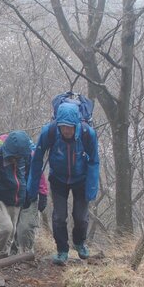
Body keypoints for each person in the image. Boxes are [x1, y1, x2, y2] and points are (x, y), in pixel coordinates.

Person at [27, 102, 99, 265]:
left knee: (80, 217)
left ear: (76, 124)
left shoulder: (88, 134)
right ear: (58, 124)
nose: (66, 130)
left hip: (81, 179)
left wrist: (91, 188)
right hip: (58, 179)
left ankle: (79, 243)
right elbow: (37, 160)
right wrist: (32, 190)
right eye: (63, 126)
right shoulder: (50, 131)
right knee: (59, 217)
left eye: (70, 127)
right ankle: (62, 250)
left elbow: (94, 161)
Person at [0, 130, 32, 259]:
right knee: (6, 227)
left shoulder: (22, 158)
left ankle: (4, 257)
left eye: (19, 157)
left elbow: (25, 177)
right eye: (15, 156)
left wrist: (26, 195)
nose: (17, 159)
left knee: (12, 231)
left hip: (15, 198)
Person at [12, 152, 49, 254]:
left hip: (30, 197)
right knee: (12, 227)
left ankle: (26, 252)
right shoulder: (4, 157)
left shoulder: (32, 158)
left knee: (25, 228)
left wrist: (43, 194)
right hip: (12, 198)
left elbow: (39, 177)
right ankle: (12, 251)